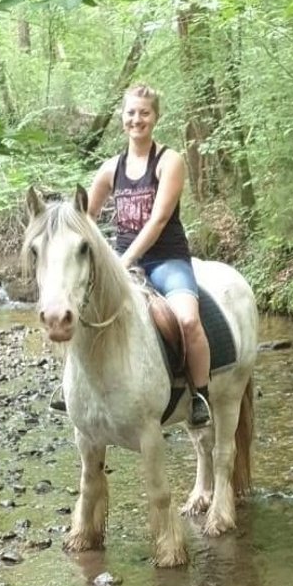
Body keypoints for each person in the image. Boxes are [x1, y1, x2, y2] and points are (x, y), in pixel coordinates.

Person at [52, 84, 212, 428]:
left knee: (187, 320)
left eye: (144, 113)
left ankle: (199, 394)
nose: (136, 119)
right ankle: (70, 388)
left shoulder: (169, 161)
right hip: (121, 261)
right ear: (122, 118)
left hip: (166, 260)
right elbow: (85, 220)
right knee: (79, 309)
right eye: (130, 113)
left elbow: (158, 221)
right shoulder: (111, 169)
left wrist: (123, 261)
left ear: (155, 117)